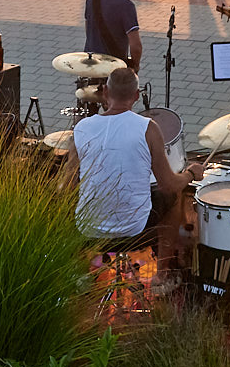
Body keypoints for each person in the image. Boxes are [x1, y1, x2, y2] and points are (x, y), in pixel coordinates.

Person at [68, 67, 204, 247]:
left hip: (88, 229)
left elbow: (66, 185)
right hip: (134, 230)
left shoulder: (81, 128)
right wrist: (191, 174)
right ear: (137, 95)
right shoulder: (148, 128)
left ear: (105, 92)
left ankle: (83, 268)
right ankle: (163, 272)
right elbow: (168, 185)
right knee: (175, 197)